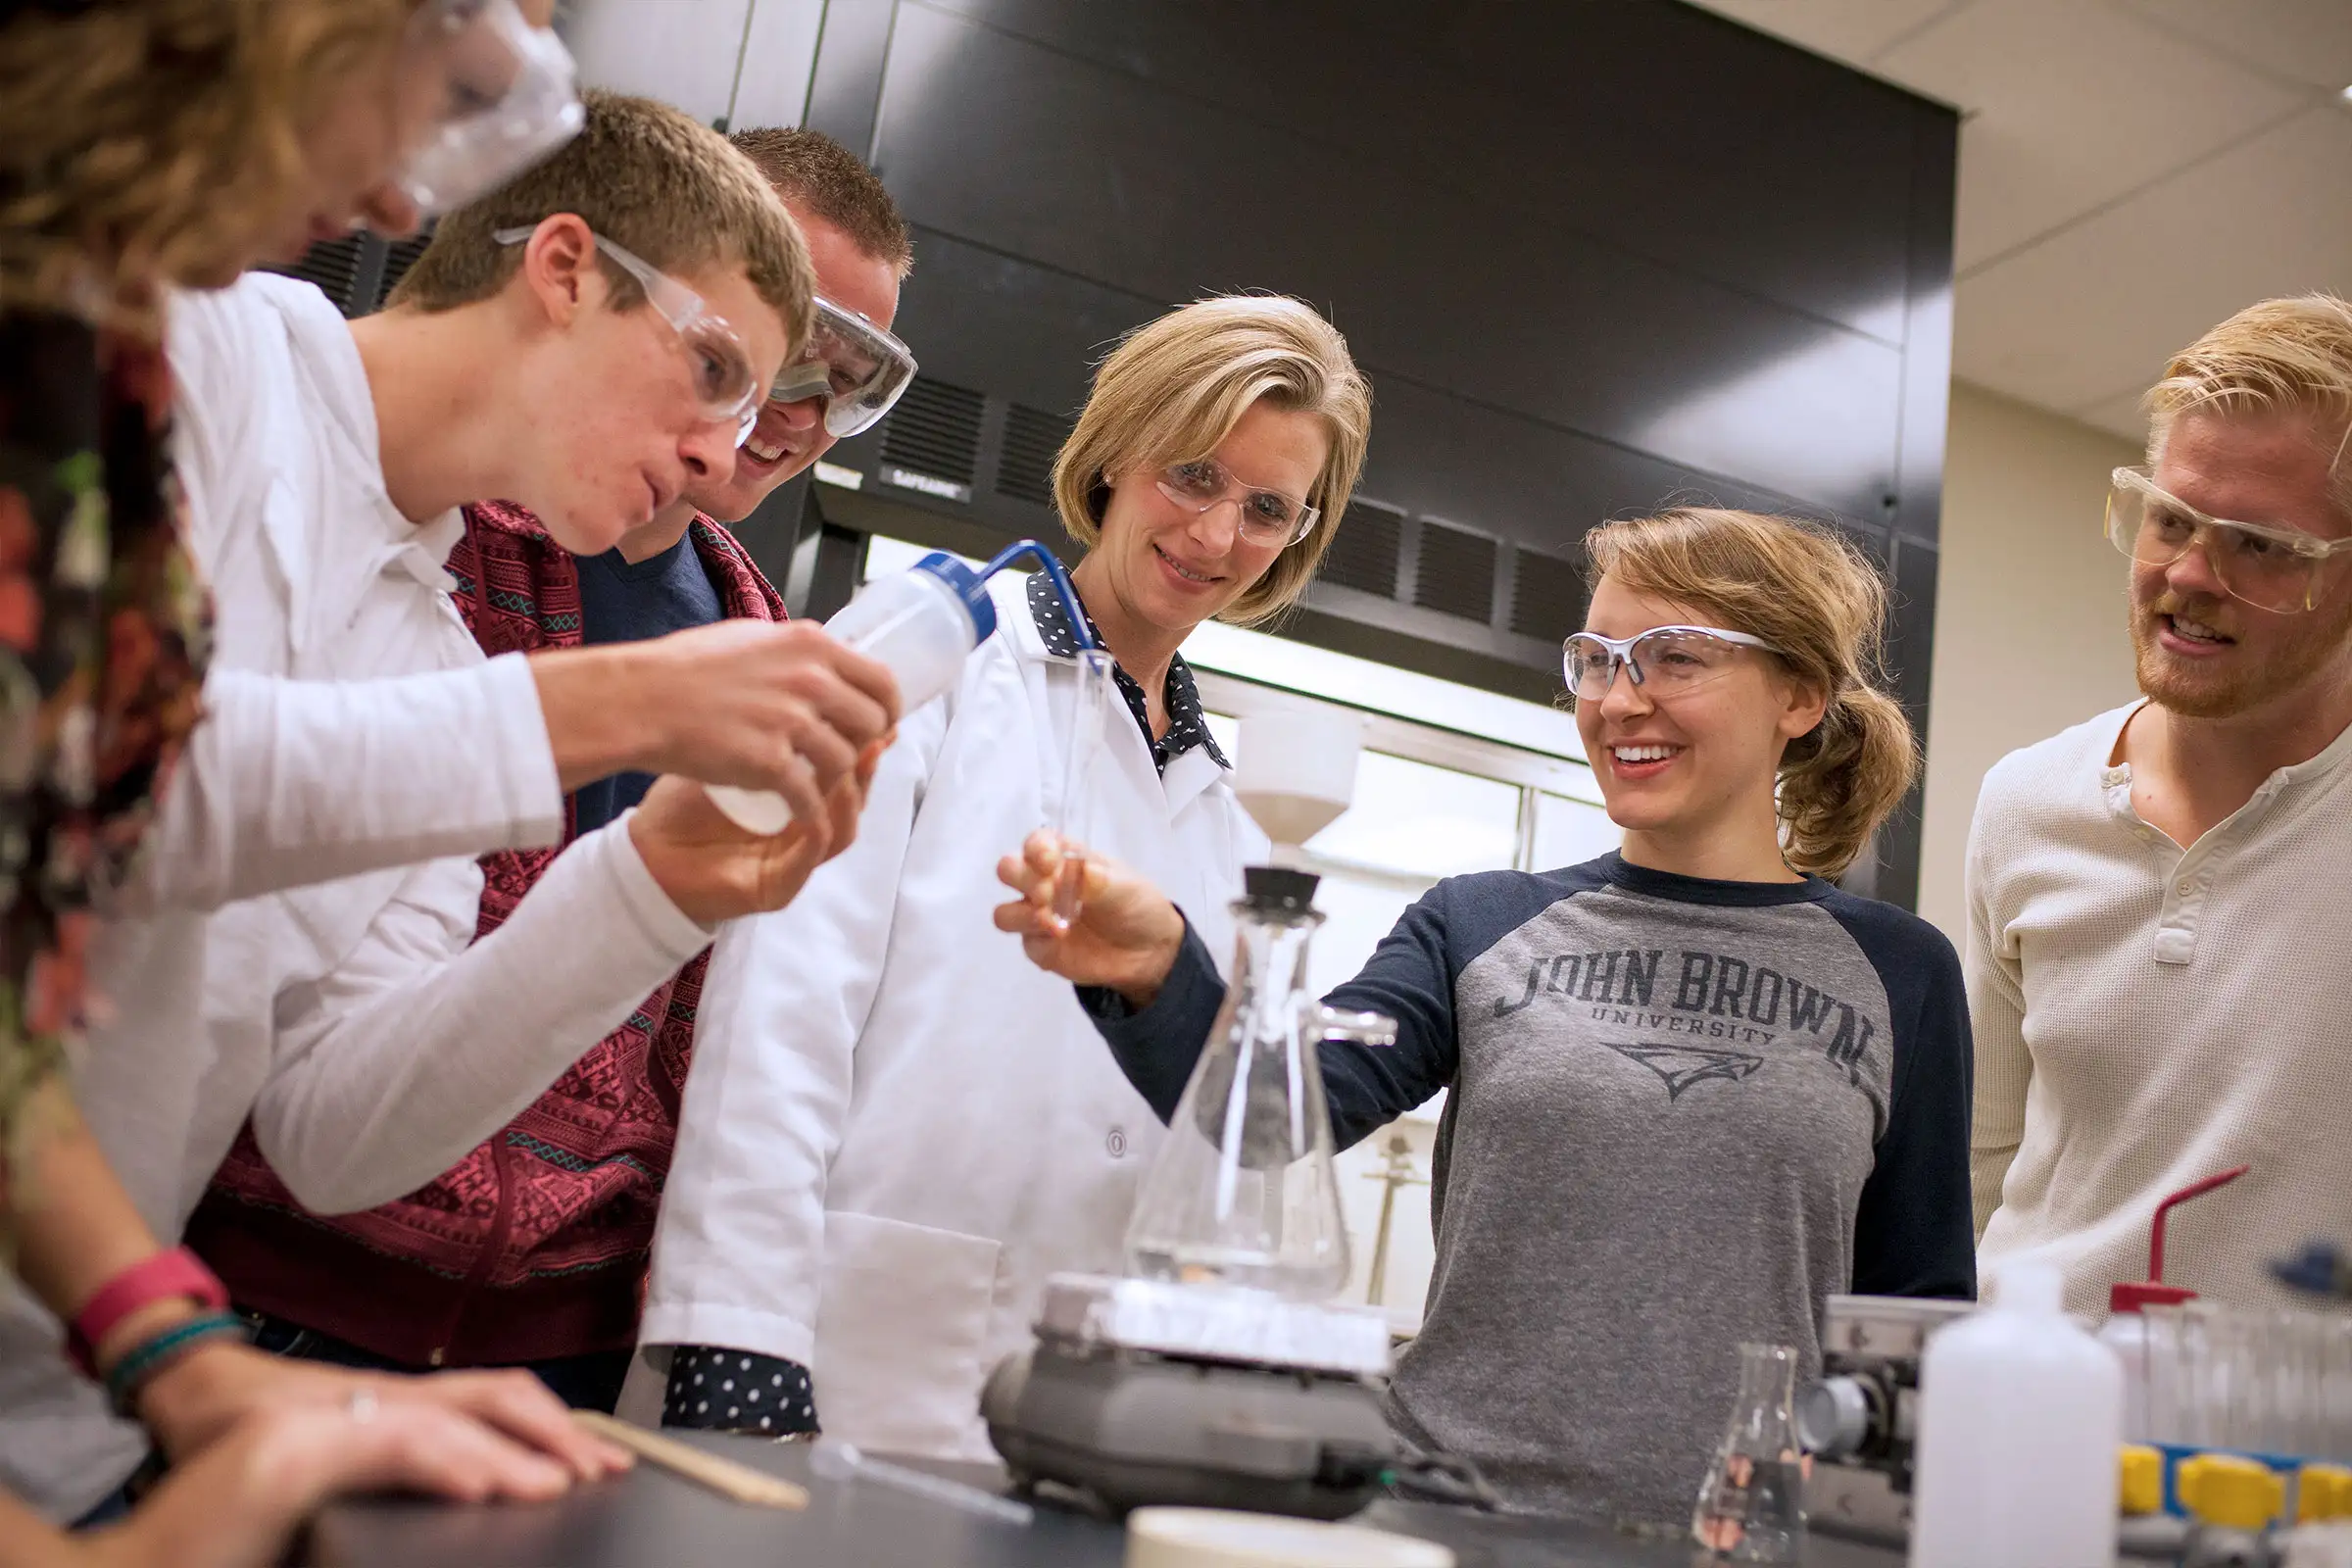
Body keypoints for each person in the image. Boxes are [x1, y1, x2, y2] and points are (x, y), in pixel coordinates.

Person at [0, 87, 904, 1524]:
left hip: (76, 1433)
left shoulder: (438, 646)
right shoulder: (182, 364)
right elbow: (86, 791)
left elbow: (331, 1132)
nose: (721, 452)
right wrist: (616, 707)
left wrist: (647, 885)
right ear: (562, 270)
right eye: (713, 369)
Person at [997, 507, 1975, 1529]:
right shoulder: (1478, 922)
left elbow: (1919, 1325)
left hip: (1742, 1540)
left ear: (1800, 695)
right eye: (1597, 660)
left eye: (1676, 658)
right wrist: (1161, 965)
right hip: (1450, 1515)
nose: (1620, 700)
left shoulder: (1899, 972)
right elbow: (1288, 1115)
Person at [0, 0, 643, 1550]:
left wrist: (187, 1369)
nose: (399, 204)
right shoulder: (197, 363)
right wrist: (612, 711)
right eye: (451, 83)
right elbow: (150, 800)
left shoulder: (97, 356)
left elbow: (30, 978)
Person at [631, 295, 1373, 1454]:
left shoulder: (1226, 813)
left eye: (1267, 508)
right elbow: (783, 1002)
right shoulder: (939, 649)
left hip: (1084, 1406)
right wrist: (737, 1334)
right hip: (848, 1349)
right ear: (1120, 452)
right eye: (1194, 473)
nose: (1218, 535)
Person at [1969, 294, 2352, 1311]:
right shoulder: (2025, 803)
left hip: (2296, 1462)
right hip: (2030, 1432)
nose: (2189, 574)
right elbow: (1980, 1174)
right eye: (2171, 519)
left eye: (2261, 545)